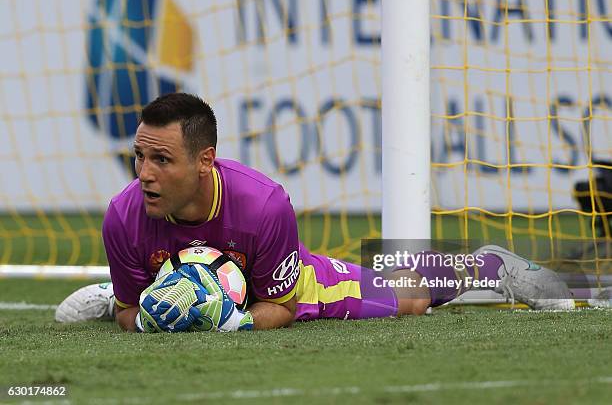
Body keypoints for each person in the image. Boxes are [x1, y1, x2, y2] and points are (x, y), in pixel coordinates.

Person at [55, 93, 574, 330]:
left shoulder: (263, 205)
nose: (143, 173)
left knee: (412, 301)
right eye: (139, 156)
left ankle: (488, 266)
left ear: (204, 161)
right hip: (173, 283)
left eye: (161, 159)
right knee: (129, 301)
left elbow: (279, 309)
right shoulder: (122, 216)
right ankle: (124, 290)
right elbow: (130, 317)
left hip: (282, 284)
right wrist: (145, 313)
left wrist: (225, 322)